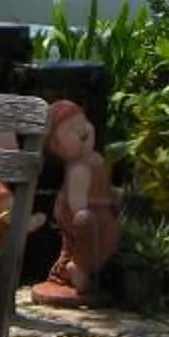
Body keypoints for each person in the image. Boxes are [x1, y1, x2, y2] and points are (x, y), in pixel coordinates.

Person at [33, 100, 118, 307]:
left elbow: (105, 187)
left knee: (99, 245)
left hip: (102, 215)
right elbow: (77, 204)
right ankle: (78, 269)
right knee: (86, 237)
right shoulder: (78, 168)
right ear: (55, 146)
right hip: (82, 217)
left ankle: (79, 269)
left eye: (84, 124)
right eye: (73, 131)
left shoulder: (95, 159)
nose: (83, 133)